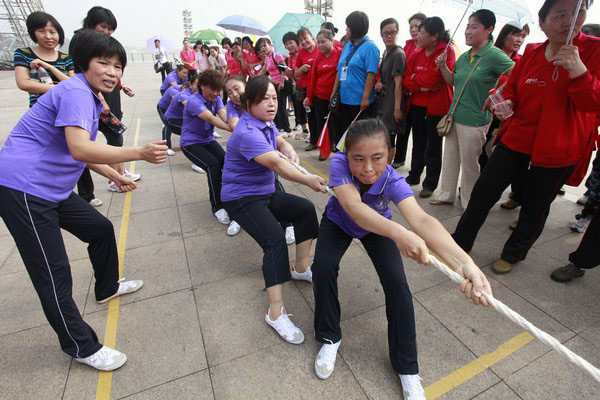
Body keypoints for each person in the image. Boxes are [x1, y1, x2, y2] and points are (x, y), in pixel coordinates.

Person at [0, 30, 168, 371]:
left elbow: (80, 149)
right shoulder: (76, 92)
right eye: (103, 63)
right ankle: (81, 345)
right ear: (83, 64)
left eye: (118, 66)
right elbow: (79, 148)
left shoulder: (86, 94)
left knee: (100, 227)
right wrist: (137, 152)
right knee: (54, 272)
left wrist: (115, 175)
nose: (112, 72)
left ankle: (107, 286)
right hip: (25, 188)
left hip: (52, 188)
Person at [310, 119, 491, 399]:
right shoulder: (338, 163)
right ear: (348, 156)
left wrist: (464, 263)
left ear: (391, 155)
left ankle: (407, 367)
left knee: (398, 285)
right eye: (358, 159)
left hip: (378, 229)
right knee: (322, 267)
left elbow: (421, 219)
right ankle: (330, 336)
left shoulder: (392, 179)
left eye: (377, 158)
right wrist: (399, 233)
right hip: (339, 223)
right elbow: (353, 208)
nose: (367, 168)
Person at [452, 0, 600, 275]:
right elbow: (514, 90)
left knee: (535, 206)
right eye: (559, 15)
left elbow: (594, 103)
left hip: (557, 148)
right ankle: (459, 242)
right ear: (542, 24)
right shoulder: (532, 52)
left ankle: (513, 253)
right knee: (484, 191)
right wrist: (503, 101)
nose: (570, 20)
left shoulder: (594, 51)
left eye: (578, 12)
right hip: (516, 139)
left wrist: (579, 71)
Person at [220, 76, 328, 345]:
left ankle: (301, 268)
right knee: (274, 240)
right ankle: (275, 312)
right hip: (242, 198)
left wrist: (287, 145)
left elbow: (278, 141)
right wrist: (309, 180)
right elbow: (278, 166)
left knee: (304, 210)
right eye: (263, 99)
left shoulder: (264, 123)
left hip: (264, 193)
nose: (271, 104)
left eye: (273, 98)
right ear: (248, 104)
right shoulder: (246, 132)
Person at [431, 9, 514, 209]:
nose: (468, 31)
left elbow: (516, 74)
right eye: (468, 26)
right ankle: (446, 194)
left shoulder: (494, 55)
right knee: (450, 158)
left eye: (474, 27)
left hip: (475, 119)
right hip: (455, 115)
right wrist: (443, 67)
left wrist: (496, 94)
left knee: (470, 164)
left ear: (489, 30)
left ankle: (470, 201)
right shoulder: (465, 56)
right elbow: (453, 81)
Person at [71, 7, 138, 205]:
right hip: (97, 101)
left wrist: (121, 87)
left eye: (111, 29)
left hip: (107, 99)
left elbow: (107, 72)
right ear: (91, 23)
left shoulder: (100, 43)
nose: (107, 32)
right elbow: (80, 75)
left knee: (113, 136)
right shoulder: (82, 42)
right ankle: (92, 191)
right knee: (85, 144)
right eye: (104, 26)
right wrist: (101, 100)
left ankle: (118, 174)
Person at [181, 70, 239, 236]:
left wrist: (237, 121)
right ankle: (217, 206)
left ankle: (227, 196)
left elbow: (224, 115)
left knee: (226, 162)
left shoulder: (217, 99)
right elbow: (213, 119)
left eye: (218, 90)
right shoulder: (193, 101)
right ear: (202, 86)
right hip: (190, 143)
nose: (215, 93)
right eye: (212, 89)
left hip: (207, 140)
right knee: (212, 165)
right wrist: (237, 129)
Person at [403, 17, 456, 198]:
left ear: (434, 36)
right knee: (418, 143)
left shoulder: (446, 52)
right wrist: (422, 85)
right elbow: (406, 80)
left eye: (422, 32)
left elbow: (436, 79)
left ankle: (430, 183)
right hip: (417, 105)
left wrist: (418, 79)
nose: (417, 35)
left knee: (433, 146)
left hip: (436, 108)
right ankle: (414, 174)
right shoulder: (417, 53)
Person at [481, 21, 530, 210]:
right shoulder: (488, 54)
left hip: (506, 118)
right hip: (485, 115)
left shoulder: (522, 62)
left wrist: (500, 91)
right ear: (504, 34)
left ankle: (516, 195)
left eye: (524, 36)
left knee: (510, 159)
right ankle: (480, 188)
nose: (519, 40)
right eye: (516, 34)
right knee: (482, 154)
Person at [330, 11, 380, 147]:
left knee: (360, 137)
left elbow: (371, 74)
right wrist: (334, 91)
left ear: (356, 27)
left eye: (348, 26)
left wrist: (365, 98)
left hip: (359, 102)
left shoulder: (370, 47)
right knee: (345, 135)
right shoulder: (347, 46)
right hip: (344, 99)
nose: (346, 29)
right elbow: (340, 70)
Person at [14, 11, 74, 108]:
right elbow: (23, 83)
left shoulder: (66, 58)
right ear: (33, 33)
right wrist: (60, 88)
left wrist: (50, 67)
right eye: (42, 31)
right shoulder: (24, 53)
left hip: (65, 107)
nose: (48, 36)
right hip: (40, 109)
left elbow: (73, 84)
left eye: (52, 32)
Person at [375, 18, 407, 167]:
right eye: (385, 33)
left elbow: (399, 83)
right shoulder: (386, 52)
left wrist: (397, 108)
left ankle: (385, 171)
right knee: (383, 135)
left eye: (392, 32)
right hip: (384, 100)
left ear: (397, 32)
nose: (389, 36)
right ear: (381, 34)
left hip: (392, 102)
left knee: (389, 137)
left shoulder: (398, 54)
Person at [305, 29, 342, 160]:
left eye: (323, 42)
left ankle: (335, 146)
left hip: (336, 97)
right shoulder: (318, 59)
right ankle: (324, 149)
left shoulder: (340, 53)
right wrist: (309, 97)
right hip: (320, 96)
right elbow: (312, 79)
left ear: (332, 41)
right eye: (318, 42)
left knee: (336, 123)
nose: (319, 45)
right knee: (322, 124)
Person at [257, 38, 291, 135]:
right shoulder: (268, 58)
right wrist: (253, 81)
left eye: (264, 45)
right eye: (261, 47)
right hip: (274, 85)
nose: (263, 48)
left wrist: (282, 82)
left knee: (281, 107)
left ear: (270, 45)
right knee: (277, 106)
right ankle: (280, 127)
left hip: (282, 84)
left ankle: (287, 129)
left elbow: (284, 69)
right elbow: (263, 71)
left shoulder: (277, 55)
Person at [295, 28, 320, 150]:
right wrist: (302, 68)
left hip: (320, 88)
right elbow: (296, 73)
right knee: (311, 116)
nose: (303, 42)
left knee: (321, 116)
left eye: (305, 38)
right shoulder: (301, 53)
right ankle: (313, 141)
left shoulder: (320, 48)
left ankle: (325, 142)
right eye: (300, 40)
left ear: (311, 36)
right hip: (307, 89)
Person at [164, 75, 200, 157]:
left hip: (180, 118)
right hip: (171, 119)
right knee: (192, 134)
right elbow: (192, 107)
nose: (200, 87)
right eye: (197, 84)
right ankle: (196, 160)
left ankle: (166, 146)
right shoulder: (183, 95)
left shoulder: (196, 94)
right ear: (190, 85)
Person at [157, 83, 183, 155]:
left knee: (169, 125)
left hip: (172, 110)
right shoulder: (174, 90)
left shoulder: (185, 89)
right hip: (163, 108)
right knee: (167, 124)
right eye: (184, 72)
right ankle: (166, 147)